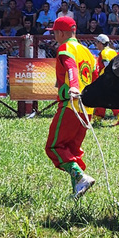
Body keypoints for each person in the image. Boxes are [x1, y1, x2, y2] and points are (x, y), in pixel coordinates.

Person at [44, 16, 97, 199]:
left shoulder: (66, 48)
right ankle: (78, 188)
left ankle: (80, 177)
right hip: (87, 109)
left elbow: (70, 66)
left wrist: (73, 85)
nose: (54, 36)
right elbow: (95, 76)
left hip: (71, 105)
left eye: (54, 33)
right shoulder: (87, 52)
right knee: (72, 149)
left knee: (54, 146)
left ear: (61, 32)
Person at [92, 34, 119, 126]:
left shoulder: (104, 53)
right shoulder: (113, 51)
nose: (95, 44)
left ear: (101, 43)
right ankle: (98, 119)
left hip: (106, 80)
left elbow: (107, 66)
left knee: (105, 100)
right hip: (115, 79)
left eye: (97, 42)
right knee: (104, 100)